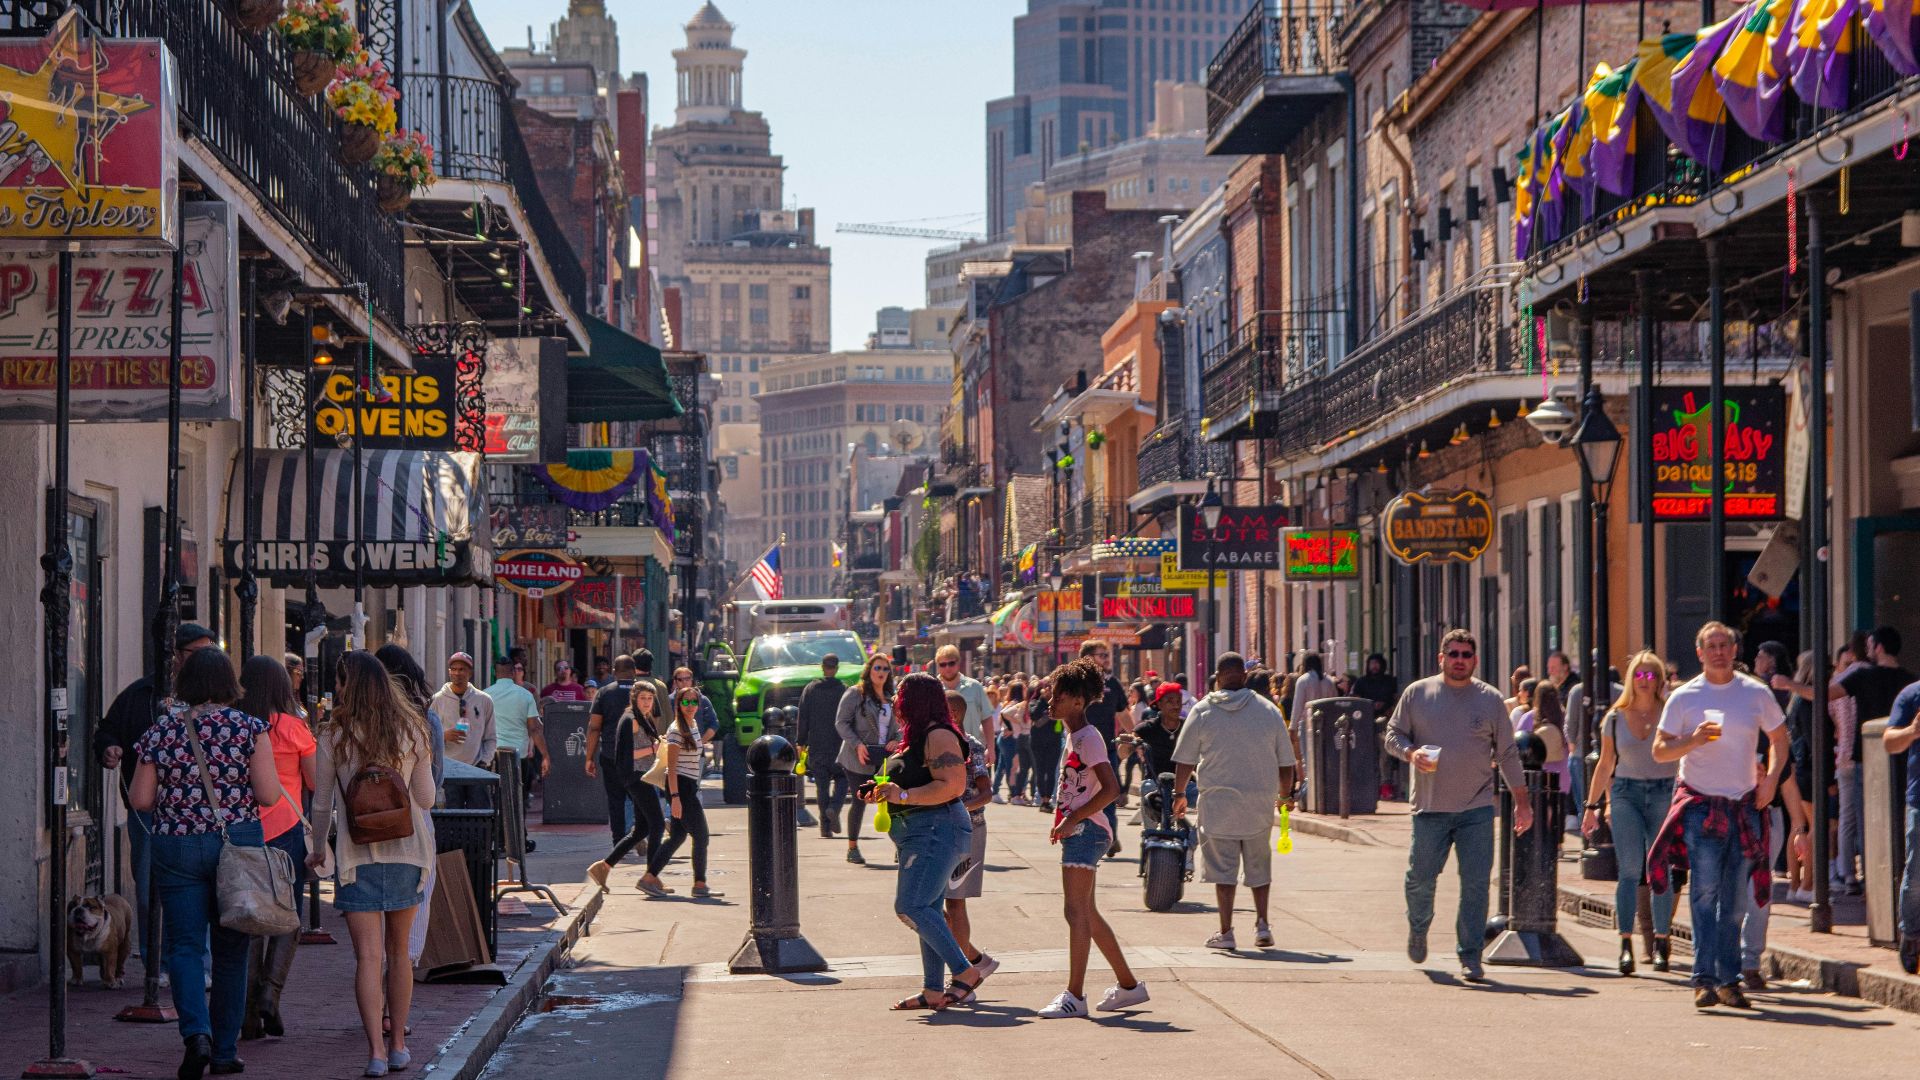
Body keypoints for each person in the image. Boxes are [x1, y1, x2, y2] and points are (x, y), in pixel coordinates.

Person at [130, 647, 285, 1080]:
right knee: (232, 951)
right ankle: (224, 1051)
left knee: (183, 947)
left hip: (176, 847)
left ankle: (195, 1035)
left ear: (186, 684)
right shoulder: (249, 728)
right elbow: (270, 794)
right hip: (235, 846)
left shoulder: (162, 731)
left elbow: (140, 800)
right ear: (229, 684)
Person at [308, 651, 438, 1076]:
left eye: (340, 681)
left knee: (367, 957)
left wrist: (317, 848)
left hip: (355, 856)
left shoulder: (333, 734)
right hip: (408, 852)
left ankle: (375, 1054)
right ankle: (399, 1043)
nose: (337, 689)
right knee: (399, 953)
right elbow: (426, 799)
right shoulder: (413, 728)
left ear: (350, 685)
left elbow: (322, 802)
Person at [1648, 621, 1787, 1010]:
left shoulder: (1755, 694)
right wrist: (1692, 740)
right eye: (1712, 645)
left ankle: (1730, 979)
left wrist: (1772, 779)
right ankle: (1704, 979)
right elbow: (1659, 750)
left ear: (1734, 649)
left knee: (1737, 902)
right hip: (1700, 805)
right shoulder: (1685, 697)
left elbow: (1779, 738)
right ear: (1700, 653)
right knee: (1705, 894)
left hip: (1744, 804)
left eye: (1725, 644)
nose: (1719, 651)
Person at [1385, 628, 1532, 983]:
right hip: (1430, 808)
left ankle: (1470, 955)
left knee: (1476, 884)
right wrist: (1411, 752)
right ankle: (1418, 927)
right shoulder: (1417, 694)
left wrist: (1522, 803)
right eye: (1453, 654)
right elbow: (1393, 735)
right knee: (1420, 878)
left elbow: (1508, 754)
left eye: (1466, 655)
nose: (1460, 660)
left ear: (1475, 660)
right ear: (1441, 658)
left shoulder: (1490, 699)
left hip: (1477, 809)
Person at [96, 621, 217, 981]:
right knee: (150, 891)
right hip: (147, 810)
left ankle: (199, 964)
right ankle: (157, 964)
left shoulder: (213, 699)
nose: (205, 660)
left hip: (196, 810)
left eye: (211, 653)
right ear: (175, 655)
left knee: (200, 890)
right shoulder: (140, 694)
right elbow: (107, 730)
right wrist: (108, 748)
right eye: (199, 653)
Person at [1034, 659, 1148, 1018]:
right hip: (1081, 829)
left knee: (1075, 911)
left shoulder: (1089, 738)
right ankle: (1129, 987)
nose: (1050, 702)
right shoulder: (1075, 736)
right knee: (1087, 913)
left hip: (1087, 830)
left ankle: (1075, 996)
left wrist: (1072, 818)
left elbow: (1112, 788)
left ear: (1079, 702)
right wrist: (1064, 820)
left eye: (1059, 696)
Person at [862, 673, 983, 1011]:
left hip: (936, 829)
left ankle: (966, 971)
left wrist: (902, 793)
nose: (896, 702)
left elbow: (953, 785)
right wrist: (881, 788)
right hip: (921, 832)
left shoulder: (939, 734)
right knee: (927, 909)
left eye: (901, 695)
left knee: (910, 906)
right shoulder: (915, 738)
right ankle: (933, 990)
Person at [1170, 653, 1298, 951]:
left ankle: (1226, 931)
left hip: (1218, 803)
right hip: (1258, 803)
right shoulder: (1268, 711)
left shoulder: (1202, 711)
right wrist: (1284, 796)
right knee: (1259, 866)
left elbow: (1185, 760)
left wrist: (1178, 795)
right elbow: (1286, 762)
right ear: (1243, 676)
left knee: (1223, 872)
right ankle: (1262, 925)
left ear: (1218, 676)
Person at [1583, 651, 1680, 975]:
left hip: (1663, 792)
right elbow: (1606, 763)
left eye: (1651, 675)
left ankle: (1662, 942)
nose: (1644, 680)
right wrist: (1592, 806)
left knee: (1660, 870)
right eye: (1638, 675)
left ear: (1659, 681)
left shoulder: (1669, 713)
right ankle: (1626, 944)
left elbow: (1681, 757)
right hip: (1626, 793)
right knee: (1629, 870)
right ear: (1630, 679)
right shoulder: (1614, 716)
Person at [237, 655, 316, 1041]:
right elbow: (316, 779)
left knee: (249, 918)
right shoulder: (292, 727)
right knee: (287, 915)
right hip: (287, 828)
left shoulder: (236, 726)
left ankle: (249, 1013)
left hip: (244, 830)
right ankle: (271, 993)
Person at [585, 681, 671, 894]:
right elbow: (628, 754)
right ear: (634, 698)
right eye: (643, 698)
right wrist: (654, 747)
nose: (647, 703)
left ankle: (603, 867)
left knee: (641, 829)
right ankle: (650, 878)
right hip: (636, 777)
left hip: (641, 776)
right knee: (657, 824)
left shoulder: (641, 717)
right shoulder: (631, 720)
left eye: (650, 699)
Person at [943, 689, 999, 981]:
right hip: (941, 830)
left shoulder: (971, 746)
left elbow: (986, 793)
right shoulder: (935, 744)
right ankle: (975, 960)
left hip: (968, 830)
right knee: (926, 904)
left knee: (955, 902)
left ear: (954, 714)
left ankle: (962, 975)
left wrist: (957, 807)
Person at [645, 686, 721, 898]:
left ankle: (649, 878)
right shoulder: (677, 729)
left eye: (694, 702)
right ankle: (700, 884)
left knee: (677, 836)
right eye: (686, 702)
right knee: (702, 836)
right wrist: (675, 798)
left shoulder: (693, 724)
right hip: (681, 788)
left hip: (688, 786)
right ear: (678, 704)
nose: (690, 706)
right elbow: (672, 768)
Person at [835, 653, 897, 865]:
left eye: (885, 669)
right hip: (858, 757)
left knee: (893, 800)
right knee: (861, 799)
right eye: (877, 668)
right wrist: (857, 744)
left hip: (885, 757)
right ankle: (852, 847)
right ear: (869, 670)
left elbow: (902, 726)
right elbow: (841, 723)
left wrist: (896, 740)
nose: (881, 672)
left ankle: (901, 846)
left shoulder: (892, 696)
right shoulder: (855, 693)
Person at [1881, 670, 1920, 973]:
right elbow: (1889, 742)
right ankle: (1911, 933)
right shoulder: (1911, 695)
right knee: (1917, 872)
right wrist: (1913, 731)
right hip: (1919, 799)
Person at [583, 656, 641, 845]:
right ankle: (640, 832)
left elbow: (594, 727)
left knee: (616, 800)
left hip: (611, 754)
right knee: (640, 797)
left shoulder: (604, 693)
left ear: (614, 671)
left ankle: (619, 841)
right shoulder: (644, 693)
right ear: (634, 671)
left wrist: (589, 757)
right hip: (639, 755)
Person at [1079, 640, 1129, 853]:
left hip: (1107, 749)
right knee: (1082, 795)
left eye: (1107, 655)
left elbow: (1123, 713)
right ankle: (1082, 836)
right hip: (1081, 750)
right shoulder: (1077, 682)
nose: (1107, 659)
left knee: (1109, 793)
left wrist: (1136, 736)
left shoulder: (1113, 683)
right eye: (1102, 655)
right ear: (1087, 658)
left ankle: (1110, 837)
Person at [797, 654, 849, 837]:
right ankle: (834, 807)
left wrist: (800, 742)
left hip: (817, 746)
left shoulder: (810, 689)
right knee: (843, 779)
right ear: (836, 668)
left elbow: (802, 717)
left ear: (822, 667)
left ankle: (825, 828)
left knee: (822, 786)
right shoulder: (843, 690)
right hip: (839, 746)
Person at [486, 658, 548, 805]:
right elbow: (534, 728)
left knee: (496, 798)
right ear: (513, 673)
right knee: (520, 796)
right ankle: (519, 827)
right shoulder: (525, 695)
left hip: (494, 753)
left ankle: (498, 826)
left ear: (495, 673)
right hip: (518, 754)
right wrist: (545, 755)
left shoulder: (486, 695)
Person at [1515, 681, 1571, 834]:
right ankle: (1558, 843)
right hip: (1562, 772)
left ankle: (1542, 838)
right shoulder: (1563, 716)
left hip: (1539, 774)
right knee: (1558, 807)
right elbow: (1570, 740)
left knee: (1542, 807)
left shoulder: (1529, 718)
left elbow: (1519, 741)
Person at [430, 652, 496, 768]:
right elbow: (426, 735)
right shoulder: (437, 700)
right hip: (447, 769)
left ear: (470, 672)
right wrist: (443, 735)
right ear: (449, 671)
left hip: (476, 769)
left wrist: (484, 761)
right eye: (453, 669)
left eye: (461, 669)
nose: (457, 673)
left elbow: (490, 737)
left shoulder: (484, 700)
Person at [1354, 654, 1402, 800]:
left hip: (1385, 721)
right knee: (1369, 755)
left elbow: (1397, 700)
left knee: (1385, 755)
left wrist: (1388, 709)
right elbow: (1355, 700)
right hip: (1365, 722)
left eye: (1377, 663)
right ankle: (1371, 787)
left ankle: (1385, 785)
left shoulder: (1390, 681)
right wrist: (1368, 705)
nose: (1374, 666)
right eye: (1372, 663)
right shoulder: (1361, 682)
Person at [933, 644, 992, 749]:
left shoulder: (975, 687)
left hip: (973, 749)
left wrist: (991, 749)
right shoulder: (932, 689)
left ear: (958, 663)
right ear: (938, 666)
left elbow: (987, 718)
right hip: (942, 750)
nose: (947, 667)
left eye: (951, 663)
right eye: (943, 664)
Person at [1030, 676, 1061, 812]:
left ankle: (1048, 799)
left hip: (1054, 741)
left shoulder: (1058, 702)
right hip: (1038, 742)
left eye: (1051, 687)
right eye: (1046, 686)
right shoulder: (1035, 701)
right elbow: (1033, 715)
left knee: (1051, 770)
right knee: (1040, 771)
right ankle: (1043, 799)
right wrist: (1043, 700)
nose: (1048, 689)